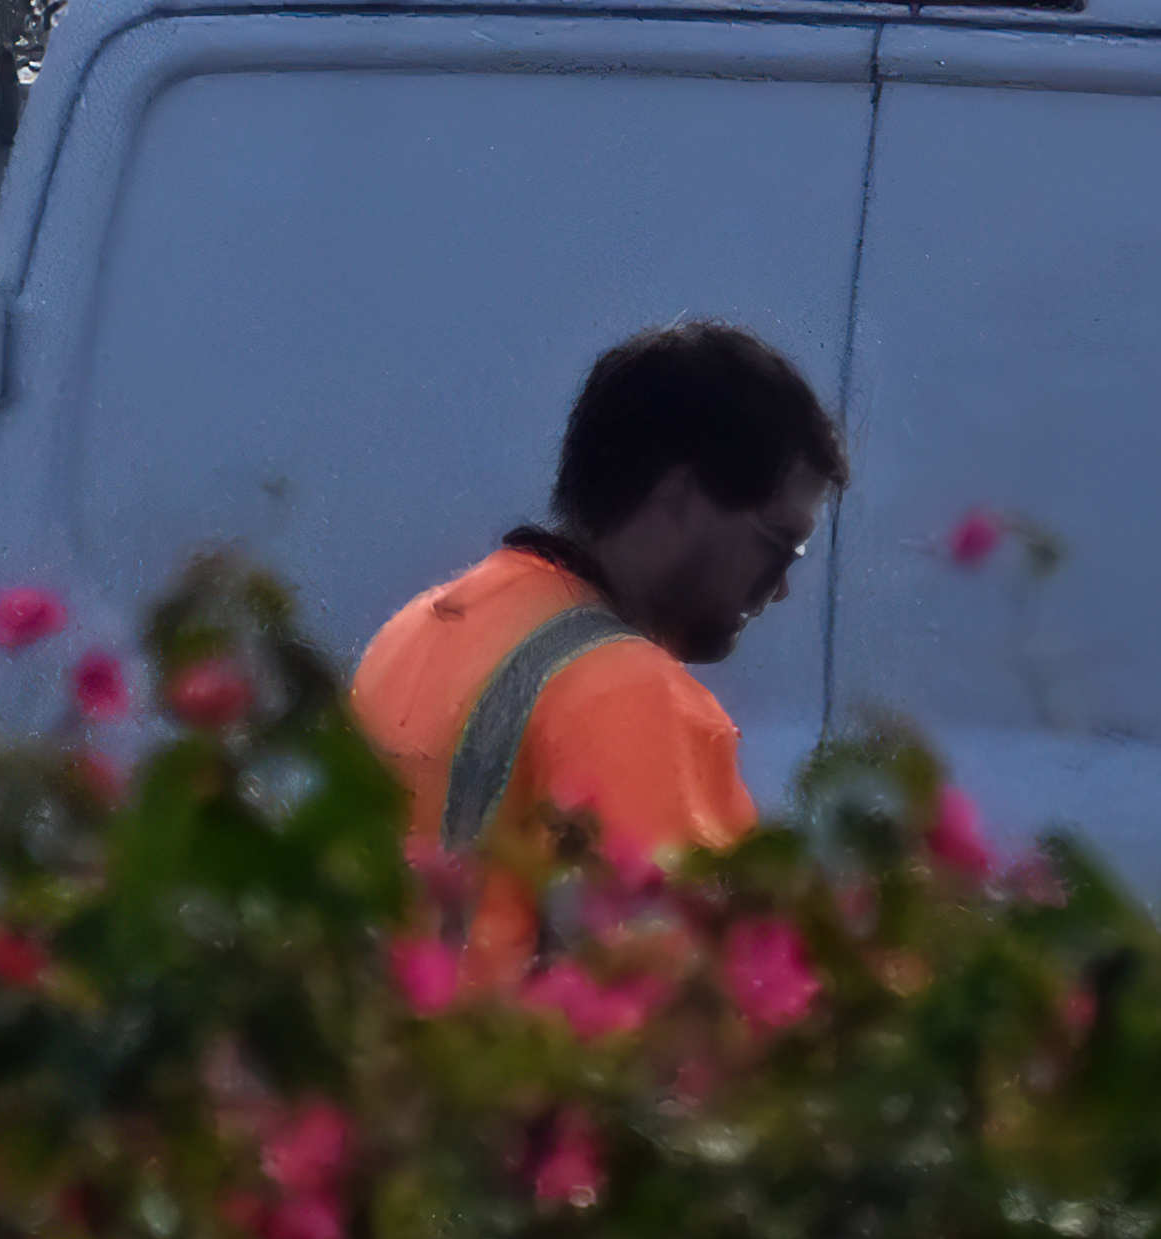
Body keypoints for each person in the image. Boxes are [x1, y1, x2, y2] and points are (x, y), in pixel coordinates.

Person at [351, 319, 846, 901]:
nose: (781, 588)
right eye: (778, 543)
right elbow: (674, 951)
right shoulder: (634, 695)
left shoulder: (419, 629)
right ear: (677, 499)